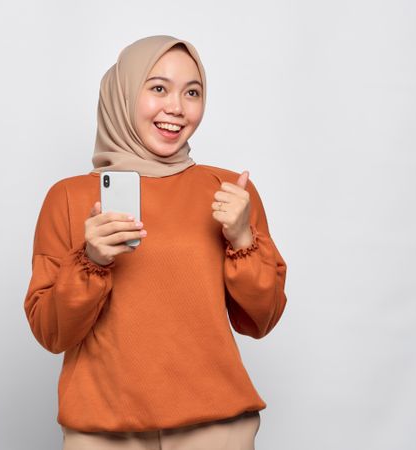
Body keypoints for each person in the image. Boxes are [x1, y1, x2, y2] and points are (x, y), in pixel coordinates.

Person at [23, 35, 288, 450]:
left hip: (215, 427)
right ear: (124, 93)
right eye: (158, 88)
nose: (177, 108)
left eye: (192, 92)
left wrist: (242, 238)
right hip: (103, 431)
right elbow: (50, 332)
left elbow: (263, 317)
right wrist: (90, 261)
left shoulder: (228, 192)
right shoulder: (70, 197)